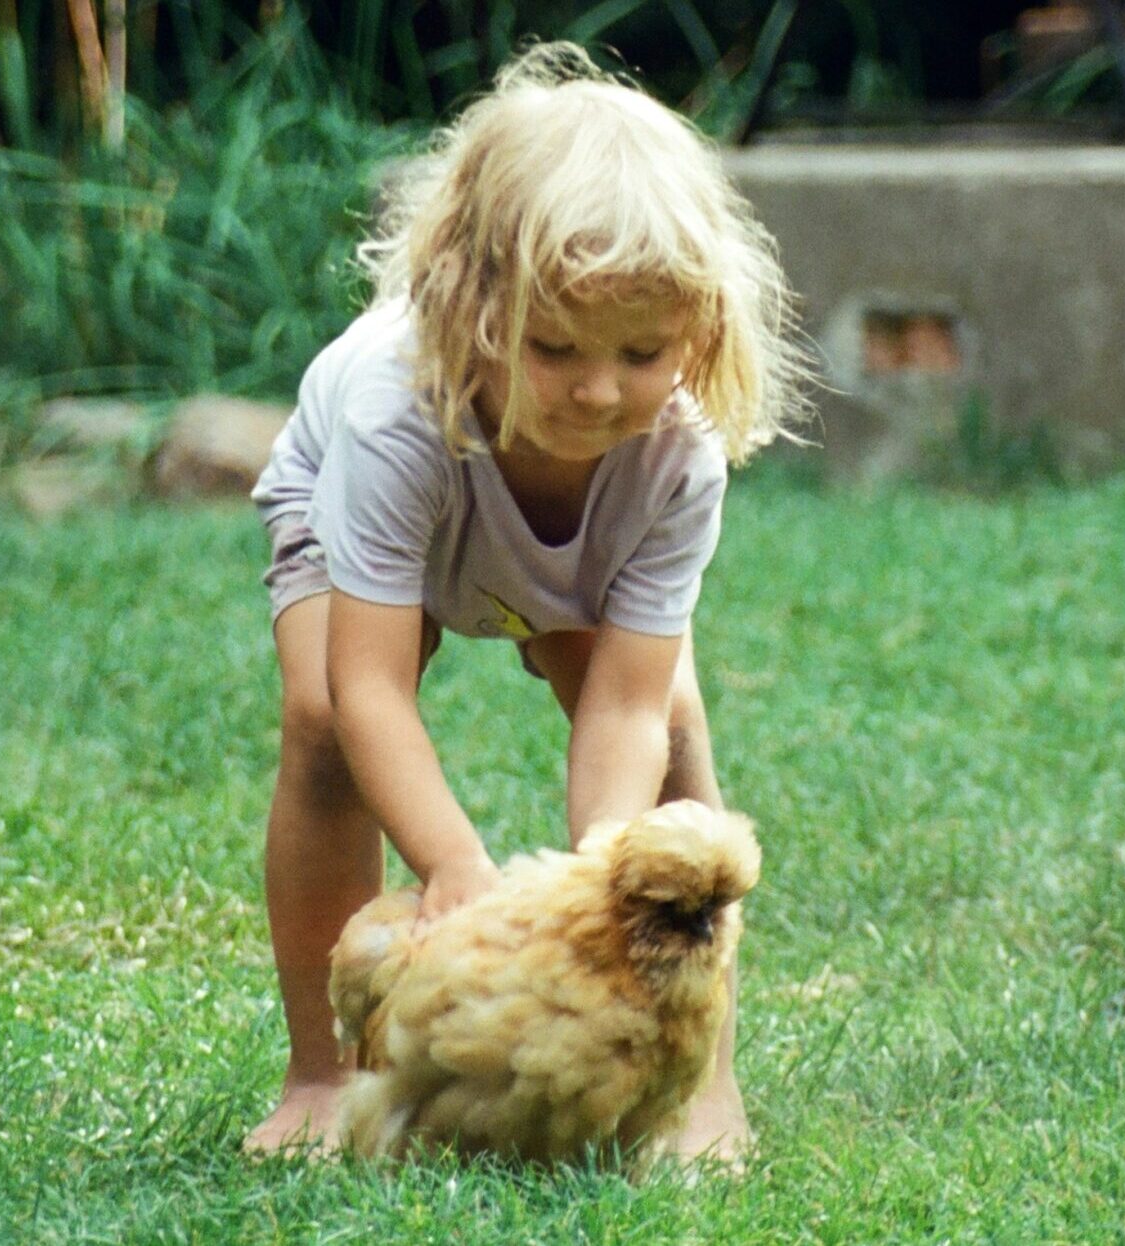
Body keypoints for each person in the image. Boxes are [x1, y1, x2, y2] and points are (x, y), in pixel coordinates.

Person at [242, 42, 810, 1154]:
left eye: (641, 352)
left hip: (566, 550)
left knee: (678, 742)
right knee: (317, 724)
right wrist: (452, 864)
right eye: (553, 348)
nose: (598, 391)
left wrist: (595, 902)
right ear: (470, 306)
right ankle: (321, 1074)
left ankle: (698, 1082)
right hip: (376, 507)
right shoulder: (390, 411)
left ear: (699, 328)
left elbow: (625, 708)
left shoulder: (673, 451)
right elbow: (369, 686)